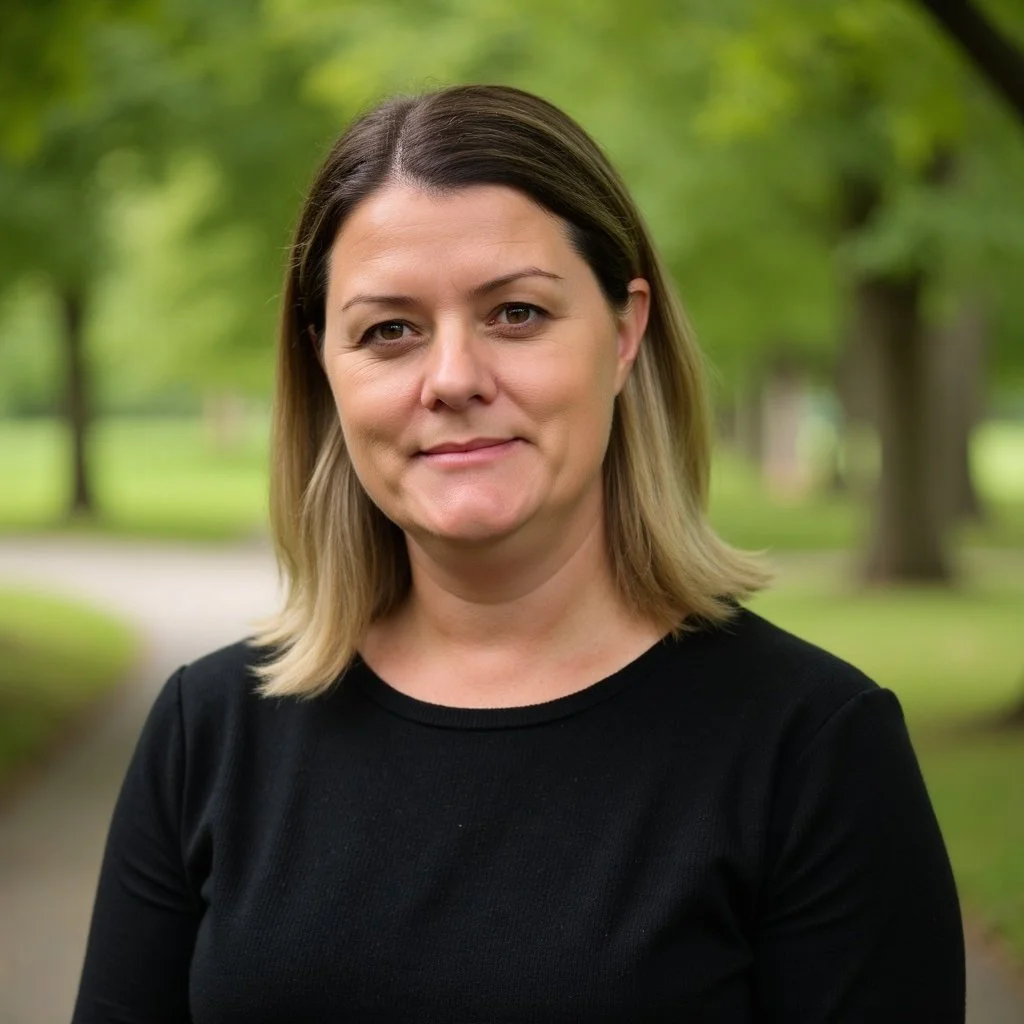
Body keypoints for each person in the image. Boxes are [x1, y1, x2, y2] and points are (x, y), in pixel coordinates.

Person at [72, 84, 965, 1023]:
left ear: (625, 332)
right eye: (389, 331)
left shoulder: (814, 748)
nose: (453, 378)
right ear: (324, 365)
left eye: (516, 315)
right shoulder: (207, 735)